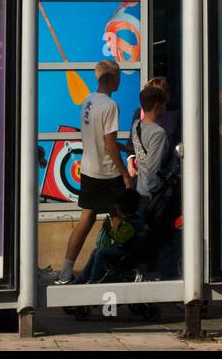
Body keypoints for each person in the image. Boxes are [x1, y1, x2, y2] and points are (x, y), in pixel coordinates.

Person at [57, 60, 133, 284]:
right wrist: (125, 175)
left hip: (89, 170)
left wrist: (123, 146)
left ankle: (65, 272)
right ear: (110, 78)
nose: (121, 79)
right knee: (120, 217)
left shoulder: (88, 100)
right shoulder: (110, 106)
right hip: (108, 173)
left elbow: (98, 135)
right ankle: (119, 268)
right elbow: (108, 144)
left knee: (86, 218)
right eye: (118, 75)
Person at [129, 82, 179, 280]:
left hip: (141, 192)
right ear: (157, 106)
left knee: (147, 240)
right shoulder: (158, 133)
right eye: (164, 106)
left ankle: (142, 275)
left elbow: (142, 160)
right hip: (154, 196)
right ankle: (168, 282)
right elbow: (153, 168)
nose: (166, 110)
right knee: (167, 242)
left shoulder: (137, 126)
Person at [75, 189, 146, 285]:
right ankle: (83, 278)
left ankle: (94, 279)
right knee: (97, 251)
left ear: (121, 209)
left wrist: (109, 229)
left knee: (100, 252)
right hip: (127, 251)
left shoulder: (131, 224)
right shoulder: (136, 221)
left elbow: (120, 238)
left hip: (125, 253)